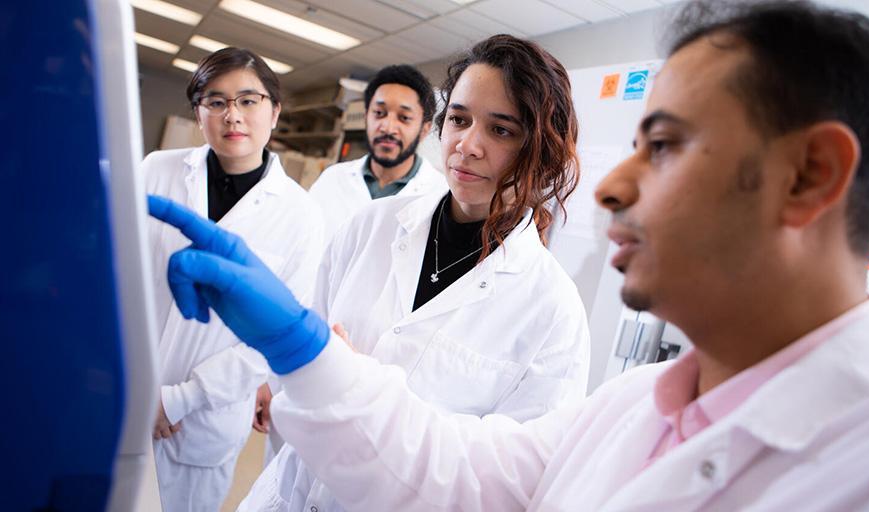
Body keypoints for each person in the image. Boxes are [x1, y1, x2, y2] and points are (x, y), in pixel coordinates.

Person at [148, 1, 869, 510]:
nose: (614, 189)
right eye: (458, 120)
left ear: (808, 176)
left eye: (663, 146)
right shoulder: (632, 403)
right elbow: (452, 469)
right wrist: (304, 351)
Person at [240, 34, 591, 511]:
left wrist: (348, 383)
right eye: (460, 120)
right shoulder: (372, 227)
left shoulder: (554, 313)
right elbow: (296, 373)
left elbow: (512, 482)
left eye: (501, 130)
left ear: (544, 152)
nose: (467, 145)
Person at [140, 47, 324, 512]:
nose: (232, 115)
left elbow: (274, 334)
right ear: (198, 112)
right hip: (122, 391)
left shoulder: (301, 216)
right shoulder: (156, 171)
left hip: (201, 423)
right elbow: (116, 281)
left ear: (274, 111)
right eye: (215, 101)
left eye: (248, 100)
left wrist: (179, 400)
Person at [308, 64, 447, 239]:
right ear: (366, 117)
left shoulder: (440, 196)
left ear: (424, 130)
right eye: (379, 113)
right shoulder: (332, 179)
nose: (388, 128)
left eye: (404, 118)